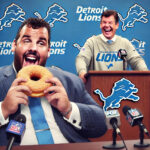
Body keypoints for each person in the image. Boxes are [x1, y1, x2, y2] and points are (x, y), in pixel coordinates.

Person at [0, 18, 107, 146]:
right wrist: (3, 109)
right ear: (14, 45)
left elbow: (102, 124)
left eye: (41, 43)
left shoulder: (70, 81)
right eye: (27, 40)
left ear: (49, 51)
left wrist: (69, 109)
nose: (33, 48)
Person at [75, 10, 148, 83]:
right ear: (100, 25)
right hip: (96, 87)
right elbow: (82, 58)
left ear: (117, 25)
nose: (107, 25)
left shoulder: (124, 43)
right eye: (104, 22)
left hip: (119, 88)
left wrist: (146, 74)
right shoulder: (92, 42)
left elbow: (136, 60)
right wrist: (82, 72)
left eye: (110, 23)